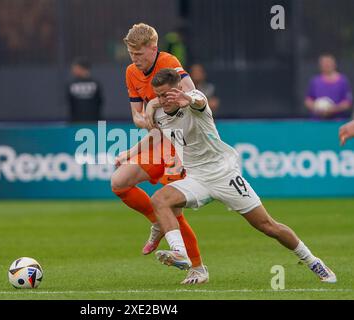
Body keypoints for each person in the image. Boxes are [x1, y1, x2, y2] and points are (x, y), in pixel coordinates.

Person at [145, 68, 336, 283]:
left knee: (268, 226)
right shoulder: (158, 112)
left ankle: (313, 261)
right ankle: (180, 253)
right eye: (159, 95)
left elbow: (198, 100)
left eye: (167, 94)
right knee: (159, 200)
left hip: (224, 174)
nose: (163, 99)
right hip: (196, 177)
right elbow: (152, 130)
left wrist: (186, 97)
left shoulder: (194, 102)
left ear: (178, 88)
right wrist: (150, 107)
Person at [111, 23, 208, 284]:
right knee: (119, 183)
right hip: (158, 140)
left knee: (173, 210)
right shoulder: (131, 72)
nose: (135, 60)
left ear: (153, 49)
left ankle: (198, 268)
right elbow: (137, 118)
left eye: (140, 54)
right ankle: (157, 222)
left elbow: (191, 94)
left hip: (182, 144)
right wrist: (148, 120)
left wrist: (154, 103)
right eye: (131, 54)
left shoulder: (168, 61)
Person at [305, 54, 352, 119]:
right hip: (317, 121)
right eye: (324, 63)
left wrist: (332, 110)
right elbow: (308, 100)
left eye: (328, 63)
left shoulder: (343, 81)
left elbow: (347, 102)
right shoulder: (315, 81)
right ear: (320, 66)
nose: (326, 65)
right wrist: (317, 109)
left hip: (337, 121)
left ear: (334, 64)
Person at [67, 57, 103, 122]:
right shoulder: (71, 84)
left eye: (75, 68)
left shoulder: (95, 84)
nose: (73, 70)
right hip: (76, 123)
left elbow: (99, 102)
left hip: (93, 122)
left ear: (81, 68)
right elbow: (70, 103)